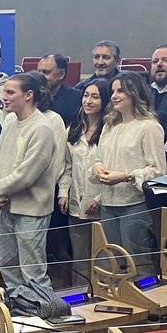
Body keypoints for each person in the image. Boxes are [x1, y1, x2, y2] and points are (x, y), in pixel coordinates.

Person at [0, 72, 56, 289]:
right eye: (5, 92)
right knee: (8, 267)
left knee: (33, 271)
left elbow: (26, 175)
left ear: (28, 95)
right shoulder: (9, 124)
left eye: (10, 92)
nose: (4, 97)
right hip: (5, 207)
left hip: (31, 211)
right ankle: (19, 314)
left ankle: (44, 316)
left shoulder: (41, 128)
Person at [92, 72, 165, 276]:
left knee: (138, 262)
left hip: (134, 204)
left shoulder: (149, 127)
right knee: (113, 263)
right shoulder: (109, 125)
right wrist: (97, 168)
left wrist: (125, 175)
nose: (114, 96)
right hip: (108, 204)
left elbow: (158, 171)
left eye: (120, 91)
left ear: (135, 94)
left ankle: (146, 302)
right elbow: (98, 158)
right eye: (113, 91)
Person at [57, 79, 111, 279]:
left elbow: (112, 169)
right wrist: (63, 193)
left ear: (105, 101)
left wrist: (99, 199)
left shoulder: (111, 130)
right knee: (79, 257)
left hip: (101, 205)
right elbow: (66, 166)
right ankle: (81, 297)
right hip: (75, 204)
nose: (88, 101)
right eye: (86, 96)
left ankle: (103, 294)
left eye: (95, 97)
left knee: (103, 256)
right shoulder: (72, 129)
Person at [37, 54, 82, 125]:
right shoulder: (31, 97)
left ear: (62, 74)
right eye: (38, 72)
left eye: (46, 72)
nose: (40, 76)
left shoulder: (76, 98)